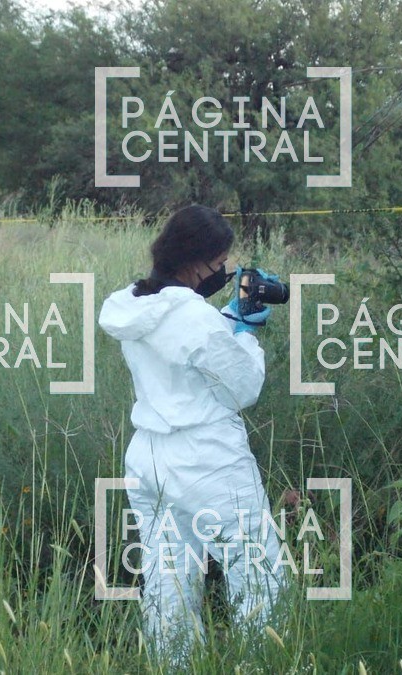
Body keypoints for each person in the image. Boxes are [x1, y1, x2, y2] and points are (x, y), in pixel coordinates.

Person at [98, 204, 284, 664]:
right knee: (259, 570)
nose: (223, 272)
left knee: (168, 580)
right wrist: (244, 331)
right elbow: (243, 387)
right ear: (193, 261)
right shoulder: (195, 319)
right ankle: (265, 663)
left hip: (148, 458)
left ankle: (174, 665)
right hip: (205, 458)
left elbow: (182, 347)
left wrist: (224, 323)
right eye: (219, 264)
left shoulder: (133, 305)